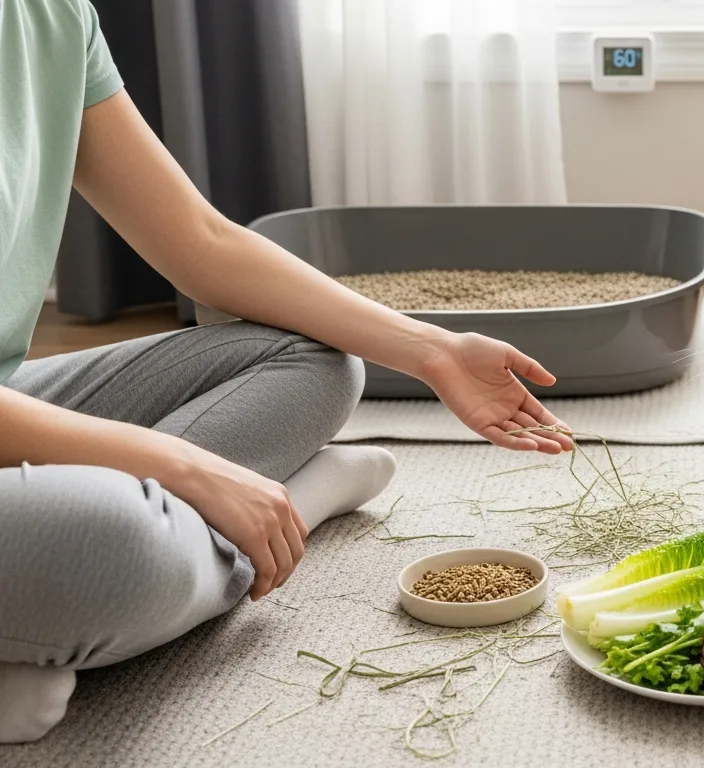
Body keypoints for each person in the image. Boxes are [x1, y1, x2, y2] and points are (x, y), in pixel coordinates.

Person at [0, 0, 574, 743]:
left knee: (313, 357)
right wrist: (184, 466)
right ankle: (287, 508)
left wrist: (430, 350)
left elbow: (201, 242)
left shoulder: (52, 14)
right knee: (113, 547)